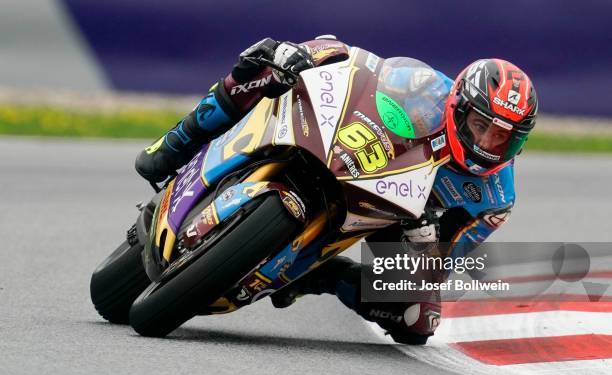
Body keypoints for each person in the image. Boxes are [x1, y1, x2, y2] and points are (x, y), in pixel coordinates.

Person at [135, 36, 538, 344]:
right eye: (481, 126)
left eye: (503, 139)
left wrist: (425, 246)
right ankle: (177, 143)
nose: (487, 144)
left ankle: (317, 276)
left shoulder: (493, 199)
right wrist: (304, 54)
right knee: (264, 61)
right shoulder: (426, 87)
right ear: (459, 107)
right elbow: (354, 58)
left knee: (418, 321)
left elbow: (439, 270)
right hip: (352, 151)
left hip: (394, 220)